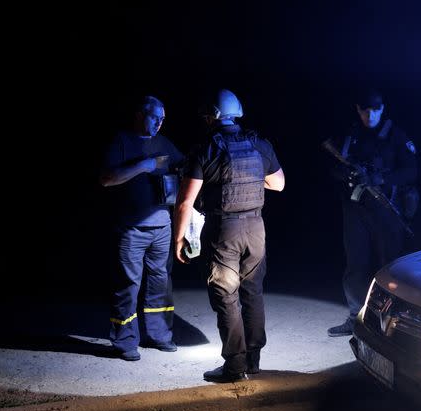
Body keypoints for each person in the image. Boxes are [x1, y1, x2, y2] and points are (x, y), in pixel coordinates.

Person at [174, 89, 285, 382]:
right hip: (256, 230)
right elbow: (279, 184)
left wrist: (179, 238)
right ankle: (254, 360)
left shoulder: (205, 148)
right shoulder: (259, 144)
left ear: (212, 116)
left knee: (226, 296)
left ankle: (234, 366)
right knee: (253, 293)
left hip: (224, 231)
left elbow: (186, 202)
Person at [100, 95, 184, 361]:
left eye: (163, 119)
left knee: (161, 281)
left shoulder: (165, 142)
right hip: (131, 229)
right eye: (154, 117)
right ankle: (125, 342)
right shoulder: (122, 142)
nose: (159, 123)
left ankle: (160, 336)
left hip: (162, 225)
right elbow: (106, 179)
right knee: (128, 284)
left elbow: (185, 167)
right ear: (139, 114)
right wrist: (145, 165)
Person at [328, 89, 418, 336]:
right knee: (355, 264)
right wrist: (346, 174)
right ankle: (355, 317)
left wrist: (381, 178)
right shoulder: (351, 134)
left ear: (382, 108)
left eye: (375, 109)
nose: (371, 114)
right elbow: (334, 167)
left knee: (389, 267)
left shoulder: (395, 136)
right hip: (356, 209)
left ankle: (392, 323)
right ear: (358, 109)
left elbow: (411, 171)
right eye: (365, 109)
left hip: (387, 209)